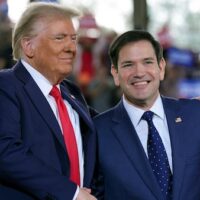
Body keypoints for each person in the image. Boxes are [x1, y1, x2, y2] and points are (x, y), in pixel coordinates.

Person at [0, 2, 97, 200]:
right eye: (59, 38)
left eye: (73, 38)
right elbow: (6, 152)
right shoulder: (6, 86)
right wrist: (72, 193)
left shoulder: (72, 93)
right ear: (29, 46)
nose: (71, 47)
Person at [92, 30, 200, 200]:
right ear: (115, 73)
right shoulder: (97, 131)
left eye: (147, 62)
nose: (139, 72)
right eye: (128, 64)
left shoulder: (195, 114)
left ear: (161, 67)